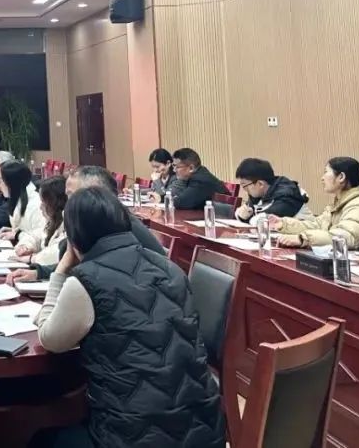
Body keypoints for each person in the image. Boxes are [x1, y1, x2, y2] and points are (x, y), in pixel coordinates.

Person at [28, 187, 225, 448]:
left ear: (75, 239)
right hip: (203, 431)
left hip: (133, 438)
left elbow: (50, 339)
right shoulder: (171, 268)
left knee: (41, 438)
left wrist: (61, 271)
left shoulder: (86, 280)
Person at [7, 165, 166, 283]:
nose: (68, 204)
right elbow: (77, 263)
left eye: (72, 196)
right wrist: (39, 273)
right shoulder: (101, 220)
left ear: (96, 195)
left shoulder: (121, 228)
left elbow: (94, 274)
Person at [268, 157, 359, 254]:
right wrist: (284, 224)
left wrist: (302, 239)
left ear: (341, 177)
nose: (322, 178)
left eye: (326, 172)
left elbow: (345, 237)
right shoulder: (338, 203)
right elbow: (317, 225)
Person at [0, 161, 50, 262]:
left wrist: (17, 234)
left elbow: (43, 236)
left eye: (0, 179)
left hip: (35, 259)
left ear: (11, 182)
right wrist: (15, 231)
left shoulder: (36, 204)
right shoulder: (18, 200)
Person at [233, 158, 309, 222]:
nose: (244, 189)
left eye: (245, 185)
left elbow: (264, 221)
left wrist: (249, 217)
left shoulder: (287, 195)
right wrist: (242, 216)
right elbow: (248, 215)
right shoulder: (259, 194)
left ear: (260, 184)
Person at [14, 176, 67, 267]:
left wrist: (32, 258)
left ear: (54, 202)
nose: (40, 207)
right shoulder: (52, 221)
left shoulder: (68, 224)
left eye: (43, 202)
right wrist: (26, 246)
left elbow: (56, 252)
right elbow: (37, 235)